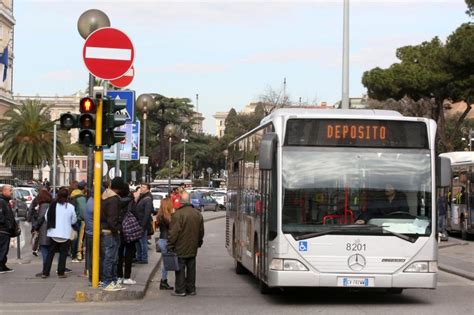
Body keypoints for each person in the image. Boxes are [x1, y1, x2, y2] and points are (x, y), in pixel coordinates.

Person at [168, 191, 204, 296]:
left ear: (181, 202)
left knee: (180, 268)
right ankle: (191, 288)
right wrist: (199, 242)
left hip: (180, 246)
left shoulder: (178, 214)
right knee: (191, 268)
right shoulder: (197, 213)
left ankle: (180, 289)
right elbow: (201, 231)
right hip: (193, 245)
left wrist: (170, 244)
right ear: (189, 201)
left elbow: (174, 232)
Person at [41, 187, 77, 278]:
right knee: (63, 254)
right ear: (67, 196)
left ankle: (45, 272)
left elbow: (46, 217)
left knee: (50, 253)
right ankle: (61, 272)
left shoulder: (52, 205)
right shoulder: (70, 207)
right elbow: (74, 220)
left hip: (53, 233)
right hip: (65, 234)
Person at [100, 177, 126, 291]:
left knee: (110, 257)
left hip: (107, 231)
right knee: (111, 258)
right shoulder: (114, 200)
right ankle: (108, 281)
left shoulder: (105, 197)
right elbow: (112, 219)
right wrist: (118, 229)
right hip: (110, 232)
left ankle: (112, 280)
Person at [117, 184, 139, 285]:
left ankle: (119, 276)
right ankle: (127, 276)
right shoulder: (131, 201)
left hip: (119, 229)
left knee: (119, 253)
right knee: (129, 254)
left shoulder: (116, 200)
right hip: (129, 230)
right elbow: (136, 214)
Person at [156, 197, 175, 290]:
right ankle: (163, 281)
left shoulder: (160, 215)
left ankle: (164, 281)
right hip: (167, 240)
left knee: (166, 262)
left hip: (161, 239)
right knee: (168, 262)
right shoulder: (168, 217)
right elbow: (172, 229)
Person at [135, 183, 153, 264]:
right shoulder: (142, 197)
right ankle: (139, 257)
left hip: (142, 224)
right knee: (139, 242)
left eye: (144, 187)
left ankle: (144, 258)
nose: (141, 188)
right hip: (139, 223)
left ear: (148, 189)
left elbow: (147, 213)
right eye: (141, 186)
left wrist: (143, 226)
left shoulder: (147, 199)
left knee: (143, 242)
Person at [70, 181, 87, 262]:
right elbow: (83, 211)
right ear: (84, 188)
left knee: (74, 238)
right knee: (80, 239)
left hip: (72, 220)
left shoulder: (72, 195)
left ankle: (73, 254)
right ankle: (79, 255)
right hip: (80, 221)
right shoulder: (82, 198)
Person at [0, 184, 15, 274]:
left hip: (6, 230)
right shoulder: (1, 201)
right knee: (2, 249)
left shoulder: (5, 201)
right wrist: (7, 224)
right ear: (4, 191)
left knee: (5, 250)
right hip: (2, 230)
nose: (11, 192)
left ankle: (3, 265)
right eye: (10, 190)